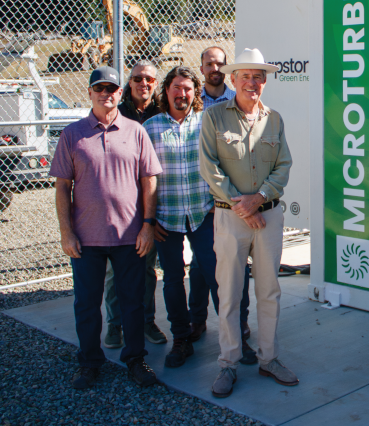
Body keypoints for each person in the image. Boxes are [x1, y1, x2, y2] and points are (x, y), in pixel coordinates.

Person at [50, 66, 161, 389]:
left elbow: (148, 180)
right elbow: (61, 187)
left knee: (133, 301)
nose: (106, 93)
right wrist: (66, 232)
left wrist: (147, 225)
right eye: (99, 87)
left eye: (112, 88)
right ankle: (89, 362)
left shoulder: (135, 132)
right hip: (86, 239)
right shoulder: (72, 134)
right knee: (87, 304)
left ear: (119, 93)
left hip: (129, 236)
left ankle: (136, 360)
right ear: (89, 93)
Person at [199, 48, 294, 397]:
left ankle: (269, 359)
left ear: (264, 81)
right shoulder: (214, 118)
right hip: (230, 218)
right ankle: (229, 362)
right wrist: (243, 207)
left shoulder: (275, 120)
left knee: (269, 291)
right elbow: (209, 167)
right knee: (229, 293)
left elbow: (283, 165)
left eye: (258, 77)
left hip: (267, 215)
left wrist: (259, 199)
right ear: (233, 79)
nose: (252, 82)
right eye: (245, 76)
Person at [142, 66, 220, 368]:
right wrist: (150, 219)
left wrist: (218, 202)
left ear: (195, 93)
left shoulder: (207, 123)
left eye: (188, 88)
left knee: (215, 276)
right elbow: (143, 178)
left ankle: (232, 335)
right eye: (177, 87)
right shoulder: (150, 128)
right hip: (167, 219)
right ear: (167, 91)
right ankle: (181, 338)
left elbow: (221, 164)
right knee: (173, 280)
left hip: (203, 214)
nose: (182, 93)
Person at [189, 47, 254, 357]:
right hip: (199, 200)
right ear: (201, 68)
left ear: (227, 68)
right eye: (209, 63)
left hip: (230, 201)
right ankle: (197, 320)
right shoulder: (191, 101)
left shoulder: (236, 101)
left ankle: (240, 325)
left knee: (235, 265)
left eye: (219, 63)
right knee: (200, 265)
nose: (214, 68)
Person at [103, 60, 167, 349]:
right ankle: (115, 325)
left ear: (156, 84)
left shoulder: (163, 113)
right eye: (138, 78)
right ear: (129, 83)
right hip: (121, 207)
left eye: (150, 80)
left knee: (146, 269)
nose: (144, 83)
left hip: (151, 206)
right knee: (115, 271)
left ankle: (146, 320)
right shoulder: (117, 112)